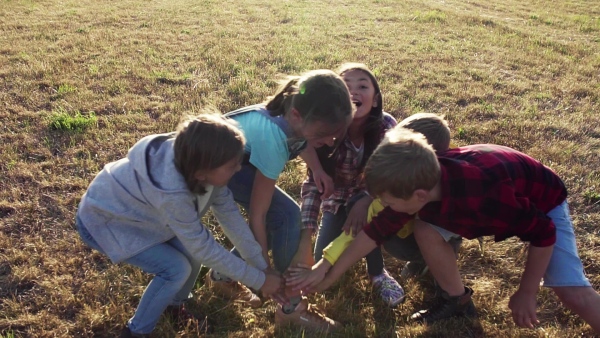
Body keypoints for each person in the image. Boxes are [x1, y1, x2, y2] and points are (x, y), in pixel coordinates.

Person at [306, 127, 600, 332]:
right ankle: (457, 300)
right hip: (480, 194)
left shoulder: (483, 195)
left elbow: (543, 232)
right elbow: (373, 233)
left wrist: (526, 292)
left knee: (570, 291)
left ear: (419, 195)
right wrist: (330, 273)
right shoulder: (420, 189)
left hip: (543, 200)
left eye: (388, 201)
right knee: (424, 229)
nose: (383, 205)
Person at [76, 114, 283, 337]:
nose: (239, 169)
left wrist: (261, 267)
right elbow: (204, 249)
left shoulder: (199, 164)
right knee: (176, 269)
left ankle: (173, 305)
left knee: (191, 254)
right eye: (232, 165)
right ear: (201, 173)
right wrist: (259, 280)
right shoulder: (171, 191)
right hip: (106, 223)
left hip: (145, 219)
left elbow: (230, 215)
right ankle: (136, 331)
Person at [204, 69, 354, 331]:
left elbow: (303, 142)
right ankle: (291, 307)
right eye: (325, 134)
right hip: (219, 169)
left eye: (335, 134)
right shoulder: (273, 139)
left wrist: (317, 169)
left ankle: (222, 275)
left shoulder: (292, 115)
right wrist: (264, 271)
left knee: (281, 220)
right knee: (286, 217)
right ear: (297, 116)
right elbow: (257, 214)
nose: (330, 141)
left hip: (239, 163)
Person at [289, 113, 461, 299]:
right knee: (385, 233)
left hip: (439, 228)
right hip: (349, 208)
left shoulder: (457, 187)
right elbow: (367, 232)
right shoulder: (395, 195)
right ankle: (422, 259)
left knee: (430, 232)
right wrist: (324, 265)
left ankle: (437, 262)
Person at [299, 63, 404, 307]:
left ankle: (377, 272)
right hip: (335, 201)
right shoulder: (326, 130)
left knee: (365, 218)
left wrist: (366, 198)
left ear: (375, 100)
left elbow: (392, 174)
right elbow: (315, 184)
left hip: (374, 197)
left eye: (363, 86)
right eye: (346, 87)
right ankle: (348, 246)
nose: (354, 92)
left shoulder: (387, 128)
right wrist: (308, 228)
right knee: (322, 261)